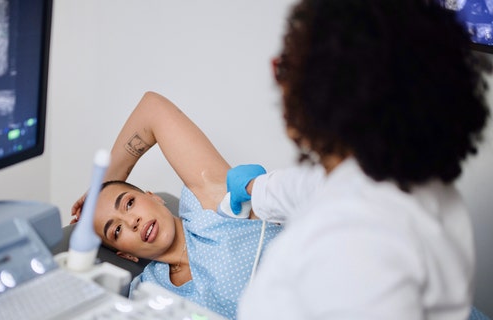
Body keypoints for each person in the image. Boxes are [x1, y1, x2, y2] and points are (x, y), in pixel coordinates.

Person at [227, 0, 491, 319]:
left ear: (323, 92)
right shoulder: (411, 182)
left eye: (285, 68)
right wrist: (255, 188)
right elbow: (309, 187)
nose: (279, 84)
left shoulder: (358, 244)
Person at [70, 91, 283, 320]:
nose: (132, 222)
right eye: (117, 230)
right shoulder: (147, 292)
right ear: (126, 255)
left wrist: (100, 186)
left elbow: (152, 109)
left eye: (130, 203)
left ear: (154, 197)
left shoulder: (208, 205)